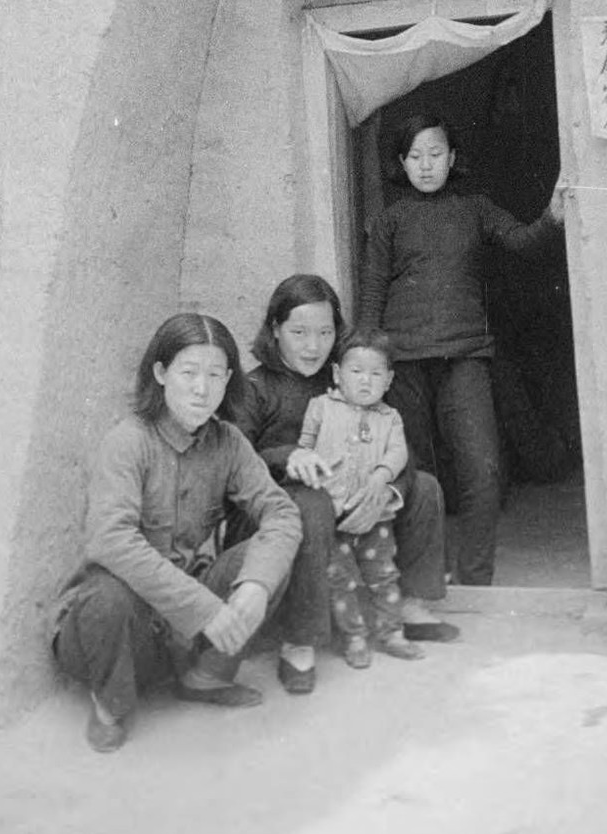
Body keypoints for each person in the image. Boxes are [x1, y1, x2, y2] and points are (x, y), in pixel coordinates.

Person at [52, 313, 302, 752]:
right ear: (161, 373)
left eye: (215, 374)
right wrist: (205, 610)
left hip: (177, 634)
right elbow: (111, 540)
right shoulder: (128, 441)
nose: (202, 389)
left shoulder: (228, 442)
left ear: (228, 380)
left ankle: (205, 677)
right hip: (116, 631)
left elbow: (281, 512)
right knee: (105, 596)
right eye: (188, 373)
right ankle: (112, 703)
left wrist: (257, 585)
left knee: (267, 557)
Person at [358, 109, 565, 587]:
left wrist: (553, 214)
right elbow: (372, 295)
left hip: (465, 357)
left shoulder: (475, 209)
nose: (426, 165)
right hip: (403, 363)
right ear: (401, 163)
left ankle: (474, 580)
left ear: (452, 157)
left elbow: (524, 241)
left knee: (483, 472)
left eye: (435, 153)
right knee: (416, 476)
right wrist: (365, 368)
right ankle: (426, 579)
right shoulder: (389, 221)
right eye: (415, 156)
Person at [229, 273, 459, 697]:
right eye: (299, 332)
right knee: (312, 505)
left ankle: (407, 603)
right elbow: (234, 461)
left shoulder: (350, 375)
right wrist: (287, 456)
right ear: (275, 329)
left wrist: (384, 488)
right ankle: (299, 639)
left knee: (424, 486)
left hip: (352, 500)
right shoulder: (254, 388)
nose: (312, 346)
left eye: (325, 332)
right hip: (280, 511)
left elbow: (396, 445)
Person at [298, 327, 424, 668]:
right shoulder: (320, 407)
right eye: (356, 371)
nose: (365, 381)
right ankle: (353, 636)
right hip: (332, 517)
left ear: (389, 380)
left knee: (383, 574)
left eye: (376, 374)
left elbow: (398, 453)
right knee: (339, 580)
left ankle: (391, 632)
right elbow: (304, 446)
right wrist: (305, 459)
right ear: (337, 374)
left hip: (375, 517)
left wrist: (382, 475)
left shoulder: (390, 418)